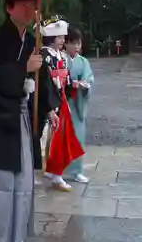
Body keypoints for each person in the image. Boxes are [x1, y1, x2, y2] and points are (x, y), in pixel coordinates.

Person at [0, 0, 60, 242]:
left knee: (23, 182)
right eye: (22, 4)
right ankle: (1, 235)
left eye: (32, 4)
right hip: (0, 120)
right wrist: (22, 68)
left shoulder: (34, 42)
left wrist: (49, 107)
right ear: (9, 8)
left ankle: (18, 232)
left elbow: (42, 81)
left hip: (24, 120)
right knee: (2, 180)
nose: (29, 8)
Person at [38, 16, 84, 192]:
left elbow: (66, 77)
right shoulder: (43, 56)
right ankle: (53, 173)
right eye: (59, 38)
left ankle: (54, 170)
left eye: (63, 38)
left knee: (61, 138)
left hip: (61, 99)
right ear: (50, 38)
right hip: (48, 102)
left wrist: (73, 85)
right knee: (49, 139)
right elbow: (44, 84)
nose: (63, 41)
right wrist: (50, 107)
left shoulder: (62, 56)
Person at [64, 27, 94, 183]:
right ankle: (58, 170)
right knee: (61, 137)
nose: (76, 46)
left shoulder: (84, 62)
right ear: (66, 43)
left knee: (78, 136)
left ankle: (76, 171)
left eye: (78, 43)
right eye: (73, 43)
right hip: (63, 103)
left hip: (77, 105)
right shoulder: (61, 59)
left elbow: (89, 79)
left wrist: (84, 85)